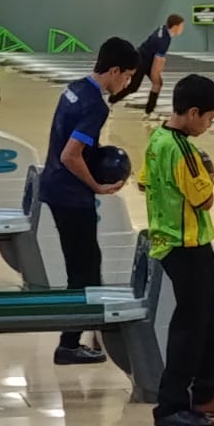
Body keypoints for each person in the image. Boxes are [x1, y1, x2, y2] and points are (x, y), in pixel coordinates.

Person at [141, 74, 214, 426]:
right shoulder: (184, 151)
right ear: (194, 112)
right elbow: (205, 200)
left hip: (182, 242)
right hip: (183, 244)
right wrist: (209, 174)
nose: (208, 126)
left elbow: (144, 182)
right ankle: (170, 405)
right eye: (209, 119)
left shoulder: (158, 138)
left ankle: (205, 392)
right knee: (191, 324)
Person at [39, 37, 138, 365]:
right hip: (70, 194)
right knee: (85, 271)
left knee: (82, 265)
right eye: (127, 77)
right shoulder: (96, 105)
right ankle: (69, 344)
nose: (126, 84)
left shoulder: (75, 87)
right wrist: (96, 185)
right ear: (114, 70)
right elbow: (71, 155)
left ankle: (86, 332)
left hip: (54, 185)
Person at [114, 14, 185, 116]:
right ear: (175, 26)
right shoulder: (164, 40)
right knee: (135, 86)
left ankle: (150, 109)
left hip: (145, 58)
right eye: (181, 26)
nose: (182, 29)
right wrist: (155, 76)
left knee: (156, 84)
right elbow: (157, 61)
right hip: (141, 60)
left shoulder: (164, 29)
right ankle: (113, 99)